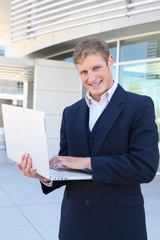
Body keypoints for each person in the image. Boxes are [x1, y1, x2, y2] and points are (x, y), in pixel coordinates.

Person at [17, 38, 159, 240]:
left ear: (110, 61)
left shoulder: (139, 106)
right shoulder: (70, 112)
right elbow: (66, 164)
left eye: (96, 68)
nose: (91, 77)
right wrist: (45, 176)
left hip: (120, 225)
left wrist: (85, 162)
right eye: (83, 71)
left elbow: (144, 167)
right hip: (74, 225)